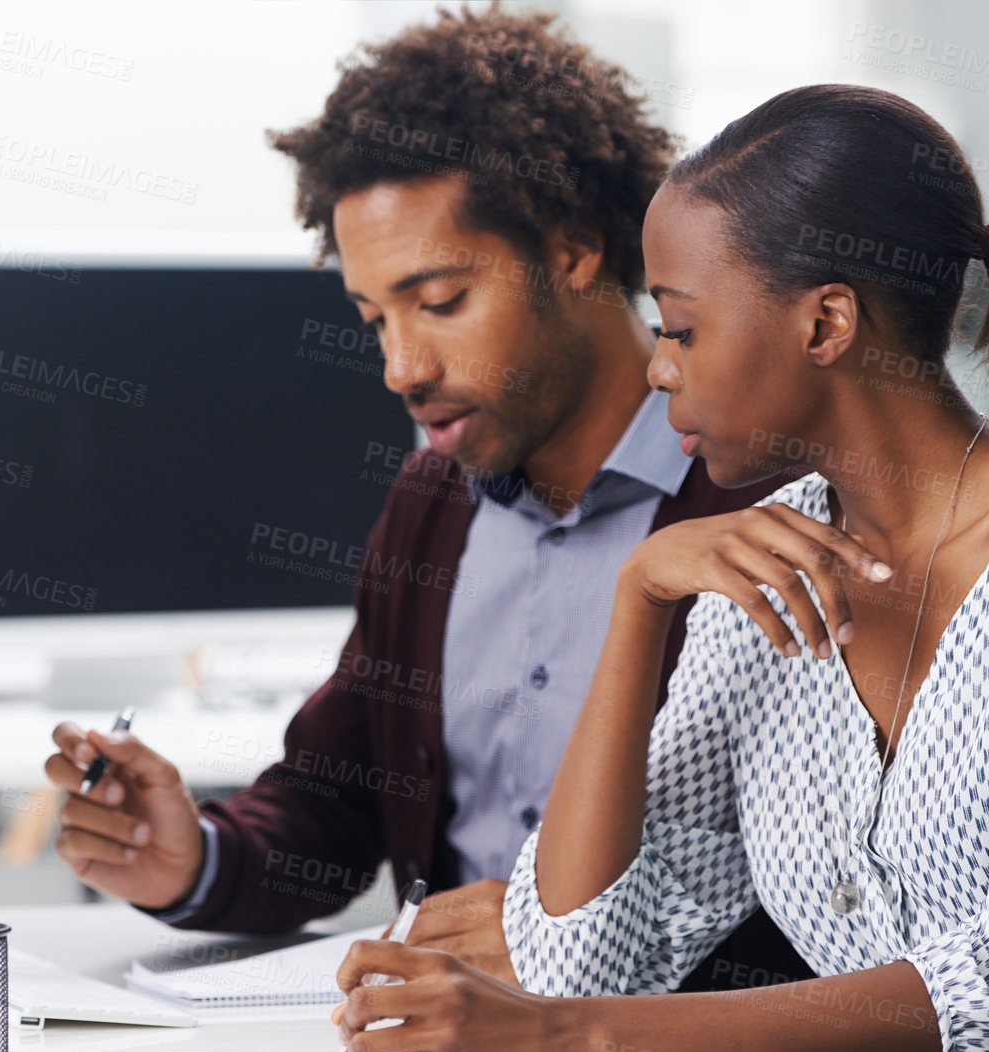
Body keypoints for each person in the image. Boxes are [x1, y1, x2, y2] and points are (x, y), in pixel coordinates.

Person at [330, 83, 989, 1052]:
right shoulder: (763, 567)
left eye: (680, 329)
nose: (660, 370)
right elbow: (583, 961)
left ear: (827, 322)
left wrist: (562, 1038)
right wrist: (639, 602)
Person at [40, 7, 803, 990]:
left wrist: (562, 940)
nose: (401, 367)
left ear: (573, 249)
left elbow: (830, 895)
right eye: (374, 319)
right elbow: (338, 798)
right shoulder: (431, 505)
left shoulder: (767, 497)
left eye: (441, 302)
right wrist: (198, 858)